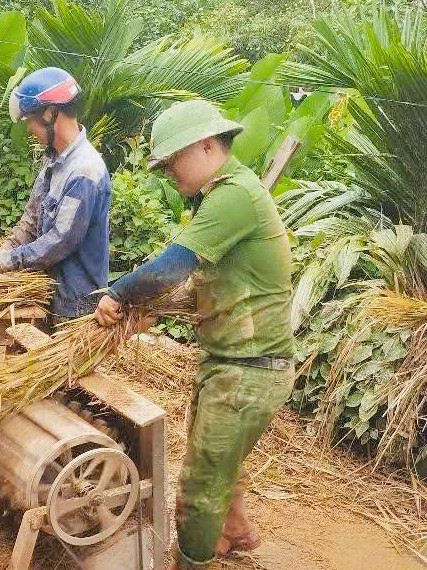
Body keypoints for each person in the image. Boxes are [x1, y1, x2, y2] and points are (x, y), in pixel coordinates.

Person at [93, 100, 295, 570]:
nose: (168, 172)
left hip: (248, 369)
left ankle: (191, 561)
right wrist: (148, 309)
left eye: (171, 160)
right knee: (217, 460)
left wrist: (120, 294)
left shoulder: (235, 196)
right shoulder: (223, 194)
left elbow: (172, 267)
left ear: (206, 146)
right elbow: (206, 284)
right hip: (233, 362)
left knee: (201, 486)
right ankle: (235, 529)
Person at [0, 67, 111, 325]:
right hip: (51, 292)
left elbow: (60, 240)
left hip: (76, 304)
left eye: (30, 119)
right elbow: (32, 217)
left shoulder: (85, 171)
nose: (29, 128)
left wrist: (10, 260)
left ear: (50, 114)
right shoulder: (54, 161)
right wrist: (4, 250)